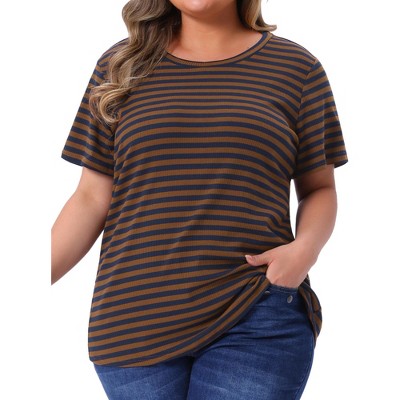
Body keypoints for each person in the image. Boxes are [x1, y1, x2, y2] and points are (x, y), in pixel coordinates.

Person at [51, 0, 348, 399]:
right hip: (132, 321)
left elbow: (319, 188)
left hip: (254, 309)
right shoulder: (120, 66)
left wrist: (304, 252)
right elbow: (90, 198)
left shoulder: (297, 69)